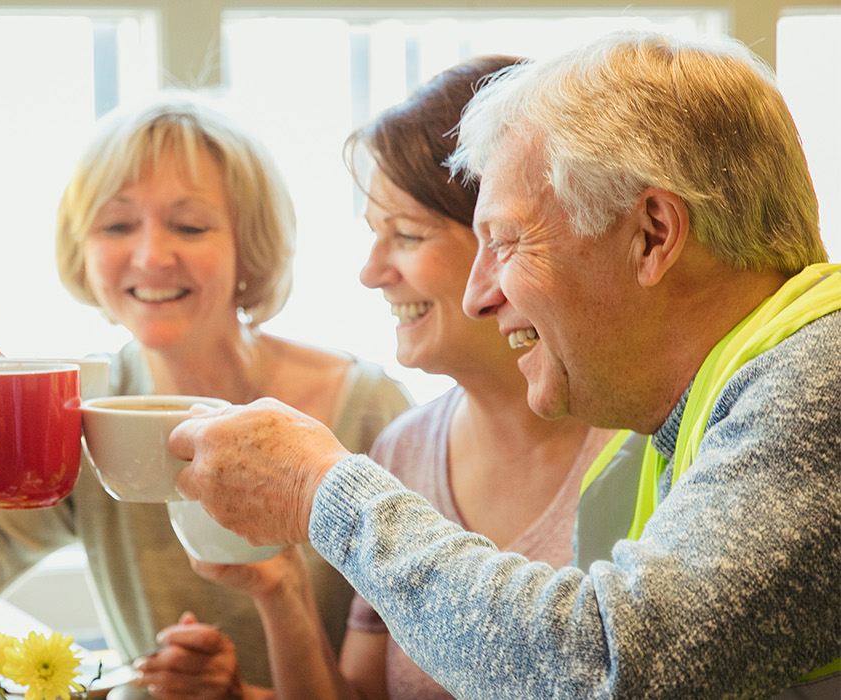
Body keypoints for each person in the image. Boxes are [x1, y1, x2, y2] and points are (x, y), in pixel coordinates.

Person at [169, 30, 841, 699]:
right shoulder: (730, 398)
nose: (477, 294)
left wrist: (321, 493)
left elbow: (609, 671)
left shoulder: (818, 382)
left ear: (653, 235)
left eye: (506, 242)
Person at [0, 96, 412, 690]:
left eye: (190, 225)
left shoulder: (369, 412)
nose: (151, 256)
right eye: (117, 225)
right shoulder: (86, 409)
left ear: (247, 246)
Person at [138, 56, 617, 700]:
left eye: (407, 235)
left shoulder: (638, 444)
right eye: (372, 235)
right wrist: (280, 591)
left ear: (506, 238)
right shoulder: (404, 449)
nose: (371, 272)